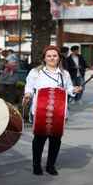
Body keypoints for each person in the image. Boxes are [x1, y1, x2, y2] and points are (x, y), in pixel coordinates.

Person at [22, 45, 82, 176]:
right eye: (49, 56)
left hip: (59, 112)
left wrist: (74, 90)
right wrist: (27, 95)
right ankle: (36, 165)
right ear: (44, 58)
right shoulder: (35, 72)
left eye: (54, 56)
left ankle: (50, 165)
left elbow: (69, 89)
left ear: (59, 57)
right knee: (39, 139)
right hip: (40, 111)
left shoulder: (64, 74)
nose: (52, 58)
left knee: (55, 139)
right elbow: (29, 87)